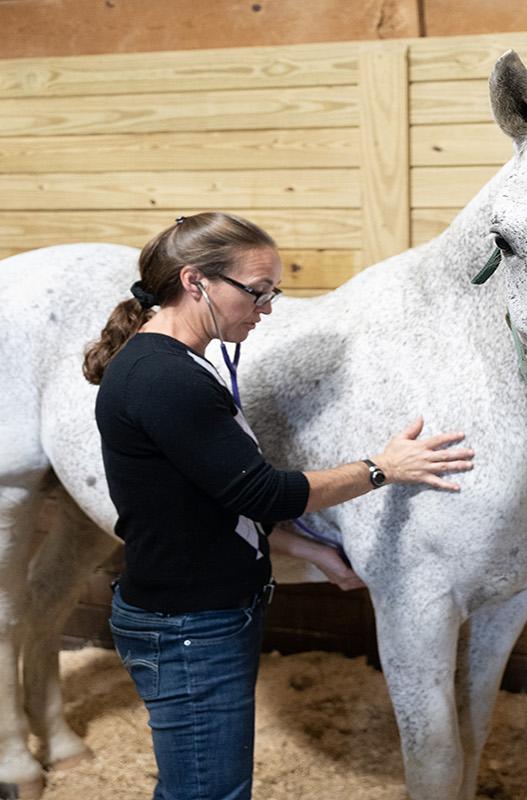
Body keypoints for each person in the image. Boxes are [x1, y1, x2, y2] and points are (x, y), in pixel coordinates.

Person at [84, 211, 474, 800]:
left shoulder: (176, 364)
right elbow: (261, 492)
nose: (267, 307)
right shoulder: (165, 379)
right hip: (190, 625)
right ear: (196, 283)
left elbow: (193, 506)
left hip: (201, 612)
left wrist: (303, 546)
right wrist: (382, 469)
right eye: (258, 291)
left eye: (274, 293)